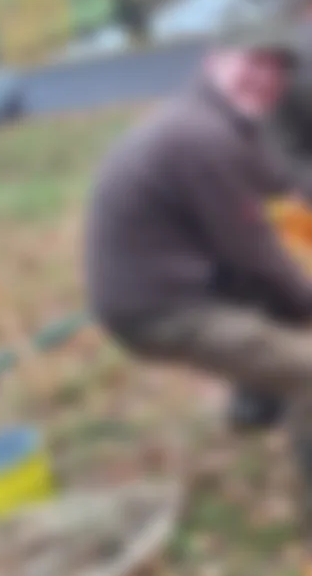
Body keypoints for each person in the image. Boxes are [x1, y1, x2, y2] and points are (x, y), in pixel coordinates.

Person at [84, 26, 312, 520]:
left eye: (274, 70)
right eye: (251, 63)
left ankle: (256, 404)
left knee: (276, 301)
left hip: (180, 279)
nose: (264, 79)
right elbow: (253, 251)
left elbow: (272, 177)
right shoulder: (201, 135)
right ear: (215, 61)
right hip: (156, 307)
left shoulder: (214, 119)